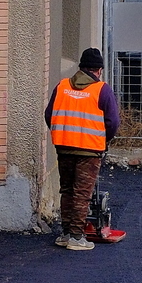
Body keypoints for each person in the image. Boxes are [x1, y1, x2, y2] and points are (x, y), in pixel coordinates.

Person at [45, 48, 121, 251]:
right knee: (82, 193)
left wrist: (62, 133)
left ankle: (65, 233)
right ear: (99, 70)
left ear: (81, 67)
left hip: (64, 147)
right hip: (89, 150)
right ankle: (77, 237)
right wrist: (103, 139)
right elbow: (113, 122)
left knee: (67, 190)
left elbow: (49, 114)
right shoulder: (102, 89)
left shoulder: (62, 86)